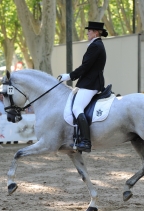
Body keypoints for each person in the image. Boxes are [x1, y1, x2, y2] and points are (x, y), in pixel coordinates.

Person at [58, 21, 108, 152]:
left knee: (76, 108)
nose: (87, 33)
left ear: (96, 32)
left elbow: (85, 66)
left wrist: (70, 75)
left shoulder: (96, 46)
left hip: (91, 83)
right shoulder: (96, 45)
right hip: (90, 82)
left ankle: (86, 141)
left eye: (89, 31)